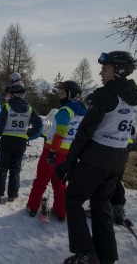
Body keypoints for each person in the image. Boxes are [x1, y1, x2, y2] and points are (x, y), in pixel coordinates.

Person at [56, 51, 137, 264]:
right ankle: (107, 256)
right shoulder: (133, 95)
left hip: (98, 155)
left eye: (106, 69)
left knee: (73, 199)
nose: (101, 73)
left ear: (118, 71)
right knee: (101, 205)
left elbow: (85, 131)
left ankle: (85, 253)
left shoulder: (106, 95)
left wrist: (69, 161)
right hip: (119, 157)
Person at [26, 80, 87, 220]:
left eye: (63, 93)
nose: (60, 95)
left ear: (71, 95)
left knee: (41, 181)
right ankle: (61, 211)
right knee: (60, 184)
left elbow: (60, 133)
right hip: (67, 153)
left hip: (52, 151)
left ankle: (33, 206)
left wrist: (52, 152)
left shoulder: (65, 110)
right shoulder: (84, 112)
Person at [0, 84, 42, 202]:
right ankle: (12, 194)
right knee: (15, 168)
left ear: (12, 94)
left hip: (7, 139)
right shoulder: (29, 108)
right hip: (21, 141)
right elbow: (39, 123)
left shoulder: (7, 107)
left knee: (3, 167)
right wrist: (30, 133)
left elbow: (0, 123)